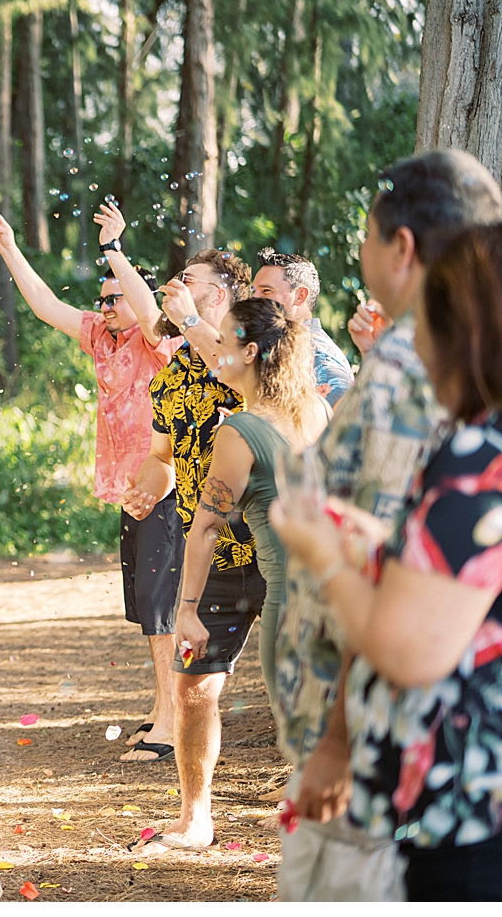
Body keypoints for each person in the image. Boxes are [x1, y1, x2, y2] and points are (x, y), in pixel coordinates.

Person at [267, 149, 502, 900]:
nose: (360, 255)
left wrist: (335, 741)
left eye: (367, 236)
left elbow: (406, 625)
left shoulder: (414, 371)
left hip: (401, 762)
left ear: (402, 247)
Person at [0, 204, 185, 762]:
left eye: (113, 296)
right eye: (101, 299)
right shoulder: (100, 335)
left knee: (162, 605)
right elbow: (47, 306)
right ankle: (161, 707)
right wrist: (9, 251)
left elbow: (147, 312)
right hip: (129, 489)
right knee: (148, 609)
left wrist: (115, 248)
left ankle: (172, 722)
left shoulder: (157, 339)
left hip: (165, 485)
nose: (104, 306)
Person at [123, 248, 266, 851]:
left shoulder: (252, 349)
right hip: (213, 556)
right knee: (194, 683)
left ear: (224, 294)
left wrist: (190, 323)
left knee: (306, 679)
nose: (176, 286)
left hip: (276, 549)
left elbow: (242, 377)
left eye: (193, 282)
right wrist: (146, 488)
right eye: (175, 279)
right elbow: (164, 459)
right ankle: (195, 818)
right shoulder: (174, 372)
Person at [172, 298, 330, 708]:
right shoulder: (317, 408)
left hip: (291, 603)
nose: (215, 349)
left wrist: (188, 610)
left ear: (250, 352)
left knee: (306, 743)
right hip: (339, 593)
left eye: (222, 340)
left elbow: (207, 527)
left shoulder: (241, 431)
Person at [250, 249, 354, 406]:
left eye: (266, 291)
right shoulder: (284, 348)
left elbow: (339, 421)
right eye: (253, 291)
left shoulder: (318, 357)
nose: (254, 299)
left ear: (300, 296)